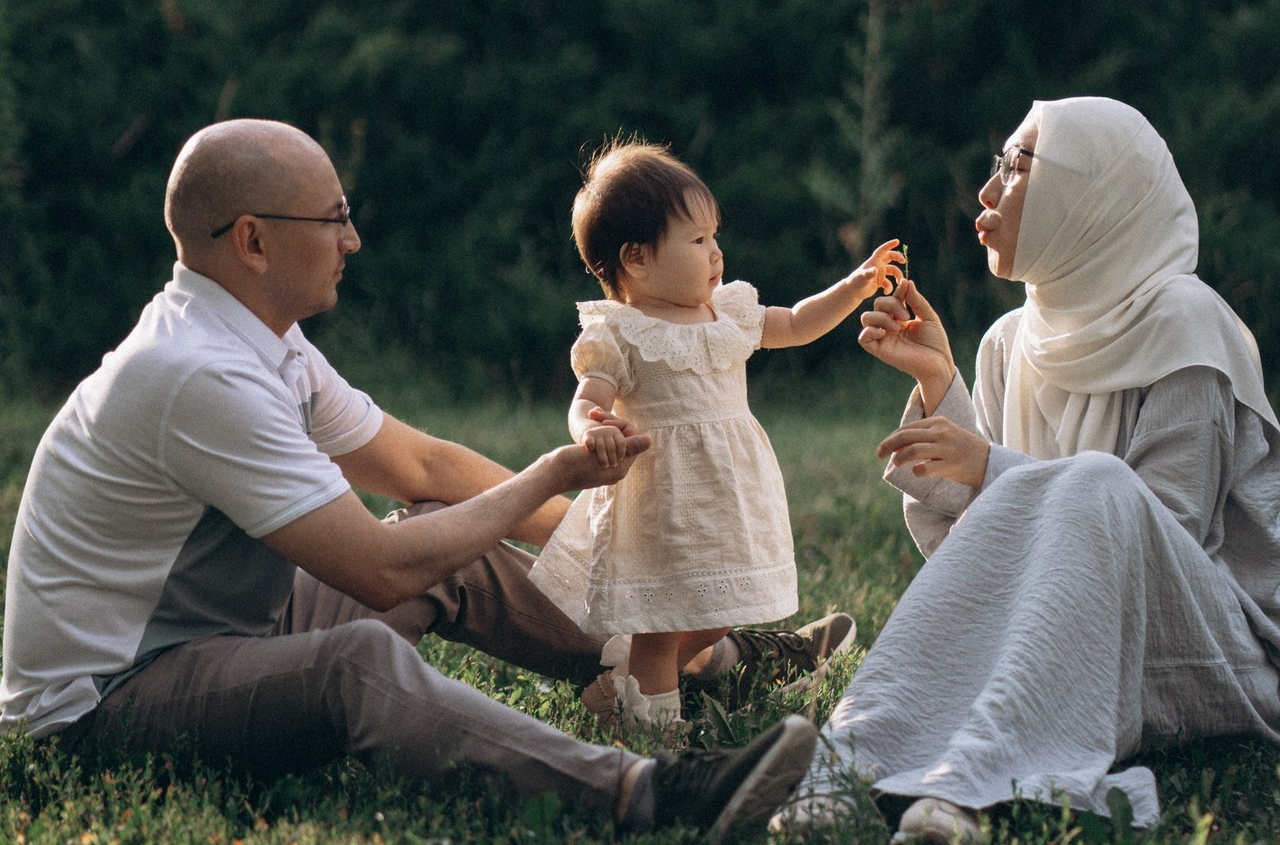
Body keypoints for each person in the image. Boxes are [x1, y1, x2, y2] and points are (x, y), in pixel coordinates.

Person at [0, 118, 823, 839]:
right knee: (356, 659)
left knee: (443, 526)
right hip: (109, 701)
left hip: (230, 629)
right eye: (334, 219)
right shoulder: (198, 374)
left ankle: (695, 660)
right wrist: (550, 471)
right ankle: (646, 793)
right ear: (252, 241)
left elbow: (420, 466)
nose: (352, 240)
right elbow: (379, 571)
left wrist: (611, 537)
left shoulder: (259, 340)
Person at [771, 96, 1280, 844]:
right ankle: (845, 763)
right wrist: (943, 387)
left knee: (1098, 482)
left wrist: (991, 467)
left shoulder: (1187, 328)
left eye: (1016, 166)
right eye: (996, 164)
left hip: (1203, 645)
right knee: (1086, 484)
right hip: (1074, 645)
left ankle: (970, 786)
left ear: (1093, 191)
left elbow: (1147, 544)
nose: (986, 192)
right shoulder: (1011, 341)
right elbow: (993, 566)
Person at [528, 139, 900, 731]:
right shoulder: (621, 333)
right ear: (636, 258)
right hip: (663, 503)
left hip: (725, 500)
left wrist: (852, 288)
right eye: (697, 240)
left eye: (714, 236)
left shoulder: (727, 314)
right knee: (663, 622)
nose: (716, 253)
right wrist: (593, 429)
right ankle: (653, 726)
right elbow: (587, 400)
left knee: (721, 610)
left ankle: (622, 688)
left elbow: (798, 323)